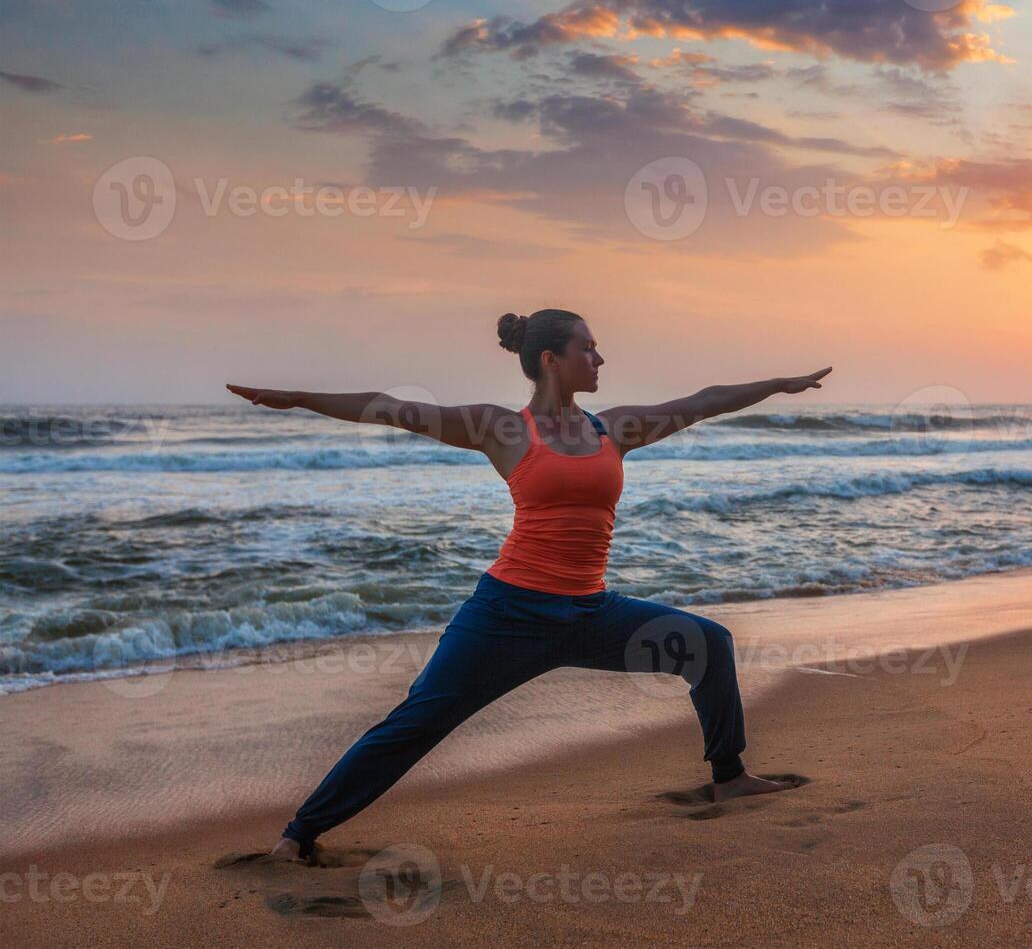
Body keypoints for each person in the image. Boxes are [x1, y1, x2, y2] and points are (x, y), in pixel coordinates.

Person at [225, 308, 832, 862]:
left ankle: (728, 776)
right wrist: (300, 398)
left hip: (593, 614)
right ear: (551, 360)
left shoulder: (612, 430)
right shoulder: (501, 429)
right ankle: (299, 835)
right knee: (416, 723)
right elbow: (388, 408)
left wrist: (777, 385)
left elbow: (704, 400)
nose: (598, 360)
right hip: (507, 614)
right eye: (588, 349)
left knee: (706, 644)